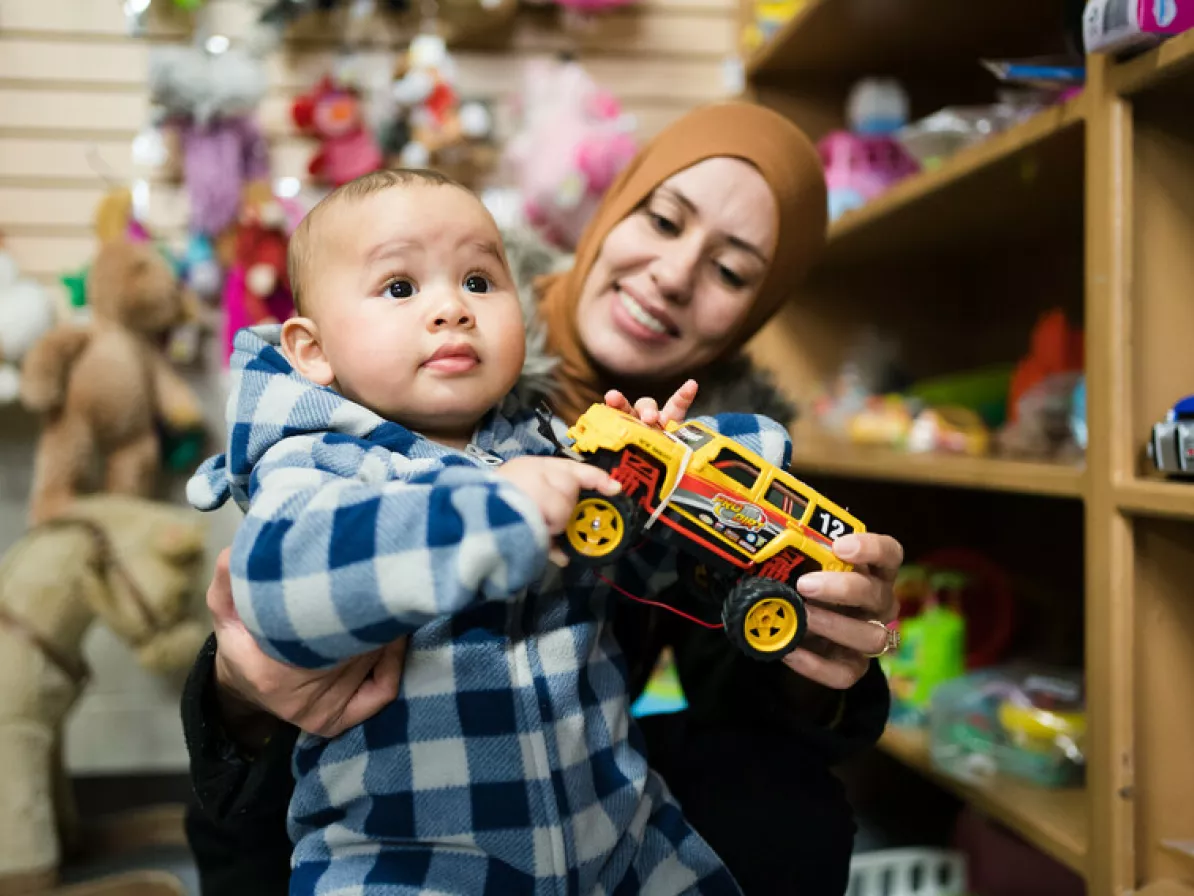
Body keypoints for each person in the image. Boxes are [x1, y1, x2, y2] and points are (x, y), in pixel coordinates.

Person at [182, 102, 903, 895]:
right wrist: (241, 698)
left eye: (732, 271)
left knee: (783, 819)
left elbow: (704, 630)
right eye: (664, 220)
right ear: (311, 351)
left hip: (592, 823)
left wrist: (817, 623)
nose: (673, 274)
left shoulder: (539, 437)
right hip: (403, 843)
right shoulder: (332, 452)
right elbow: (289, 580)